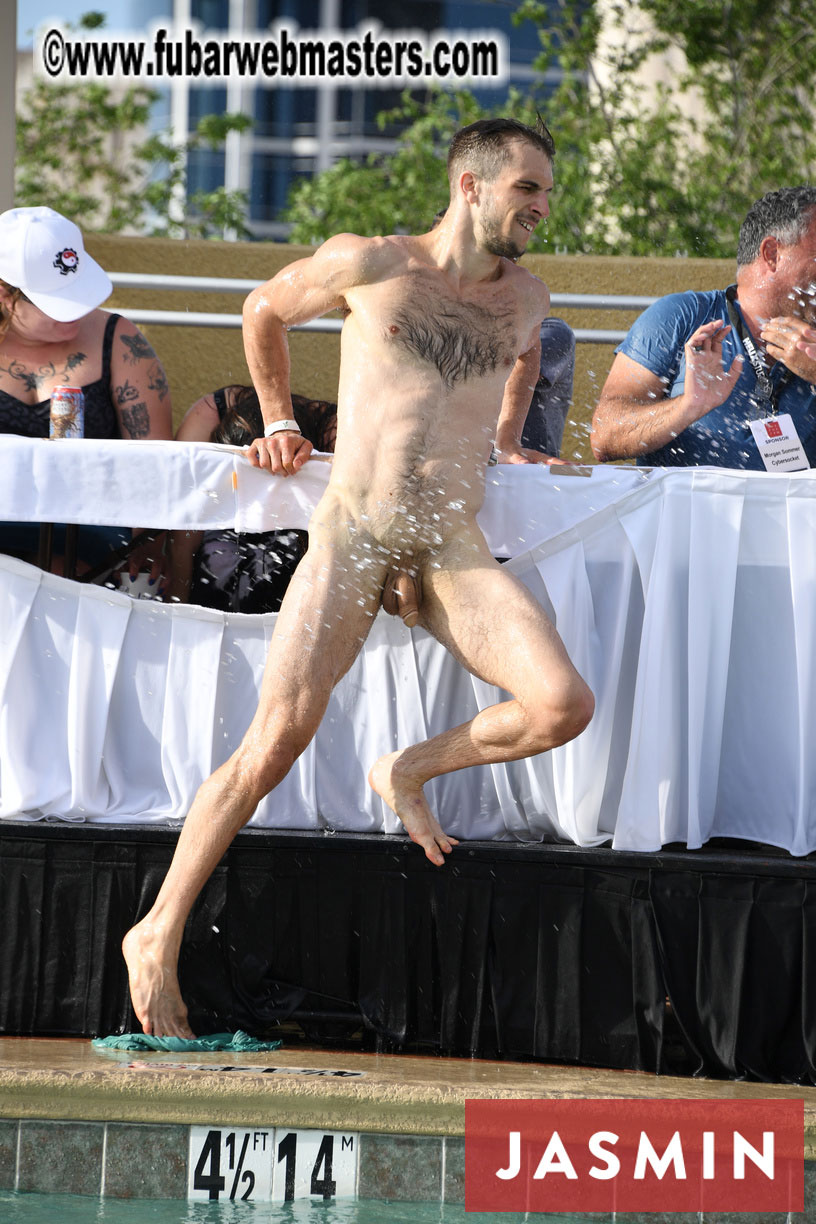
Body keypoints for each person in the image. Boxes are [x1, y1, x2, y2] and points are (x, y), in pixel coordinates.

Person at [123, 116, 595, 1037]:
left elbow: (525, 356)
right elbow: (263, 309)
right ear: (471, 184)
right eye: (528, 189)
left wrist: (505, 440)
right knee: (277, 737)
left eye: (545, 191)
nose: (543, 206)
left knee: (561, 705)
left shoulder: (527, 297)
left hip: (447, 544)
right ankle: (157, 930)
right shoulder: (373, 263)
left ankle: (406, 768)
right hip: (358, 530)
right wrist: (275, 418)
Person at [0, 206, 173, 578]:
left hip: (88, 537)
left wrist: (147, 545)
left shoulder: (118, 339)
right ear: (4, 294)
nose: (78, 310)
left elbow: (155, 460)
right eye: (56, 302)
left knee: (66, 567)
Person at [590, 186, 816, 469]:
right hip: (690, 512)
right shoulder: (682, 316)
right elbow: (605, 435)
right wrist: (688, 406)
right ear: (771, 254)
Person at [169, 385, 337, 612]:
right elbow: (183, 535)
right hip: (227, 537)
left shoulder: (333, 435)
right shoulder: (209, 417)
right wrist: (176, 608)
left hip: (307, 526)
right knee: (220, 563)